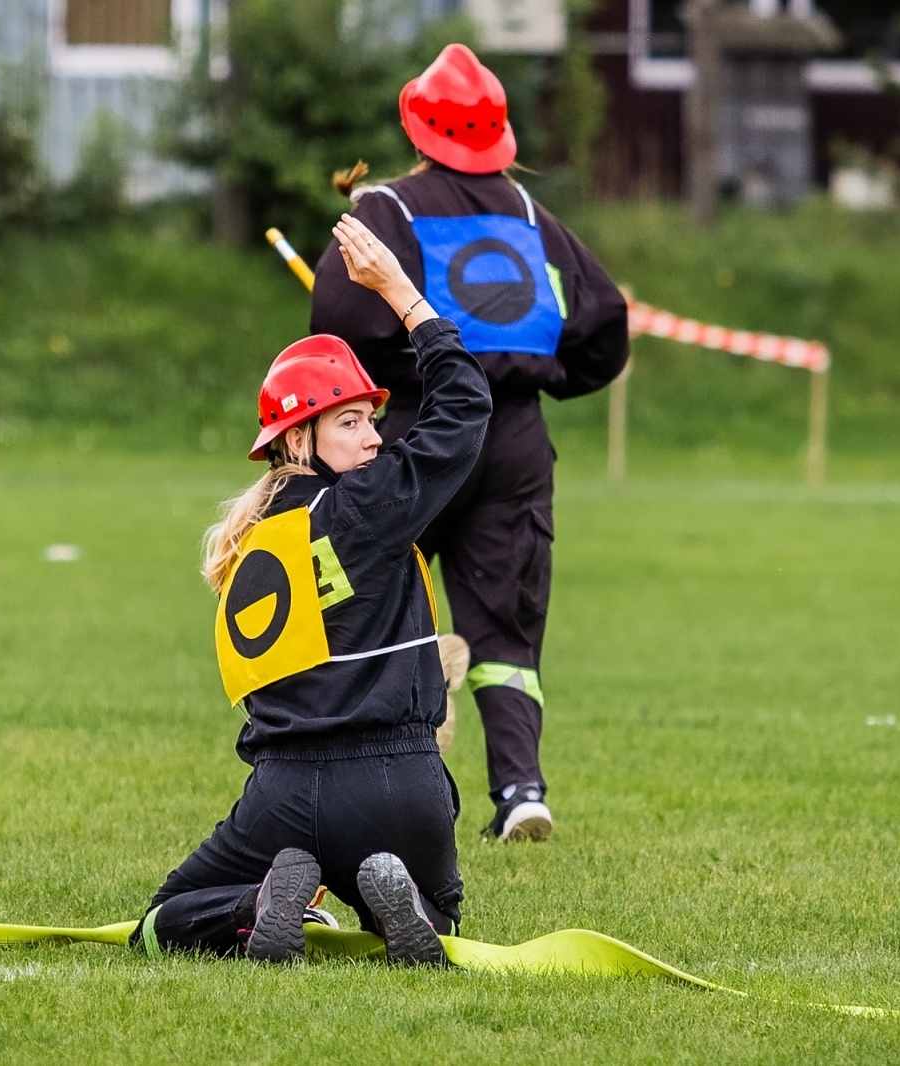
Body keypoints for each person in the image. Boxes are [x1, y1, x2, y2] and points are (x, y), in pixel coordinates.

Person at [132, 213, 492, 965]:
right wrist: (400, 291)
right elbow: (465, 408)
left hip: (287, 792)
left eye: (372, 421)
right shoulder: (365, 507)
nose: (374, 438)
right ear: (300, 440)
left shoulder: (246, 544)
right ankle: (404, 903)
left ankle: (263, 902)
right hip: (402, 782)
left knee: (163, 920)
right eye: (352, 421)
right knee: (445, 931)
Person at [310, 43, 630, 843]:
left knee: (376, 605)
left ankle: (371, 782)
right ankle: (522, 790)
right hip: (515, 435)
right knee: (506, 627)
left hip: (418, 432)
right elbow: (603, 332)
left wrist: (389, 374)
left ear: (416, 124)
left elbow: (338, 323)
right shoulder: (533, 216)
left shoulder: (386, 206)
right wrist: (537, 377)